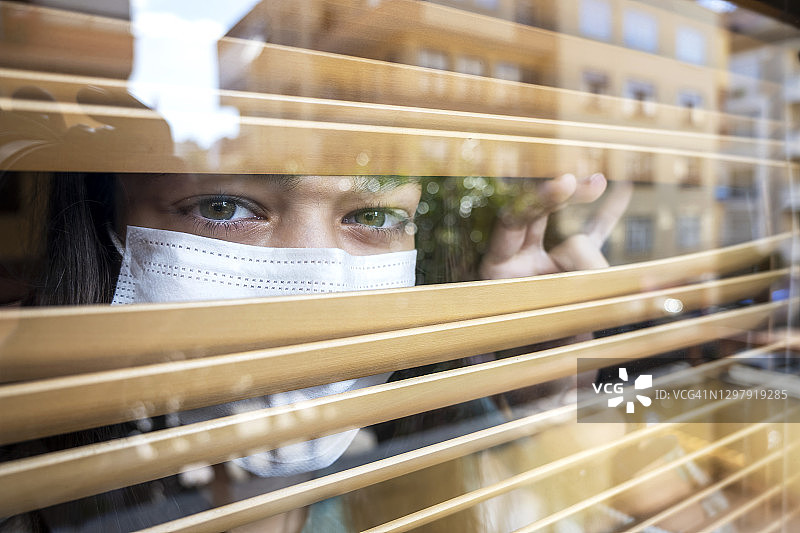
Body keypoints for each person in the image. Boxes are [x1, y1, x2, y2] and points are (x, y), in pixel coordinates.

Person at [1, 87, 643, 532]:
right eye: (223, 207)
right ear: (107, 232)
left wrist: (588, 372)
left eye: (373, 216)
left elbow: (612, 492)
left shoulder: (436, 455)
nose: (315, 291)